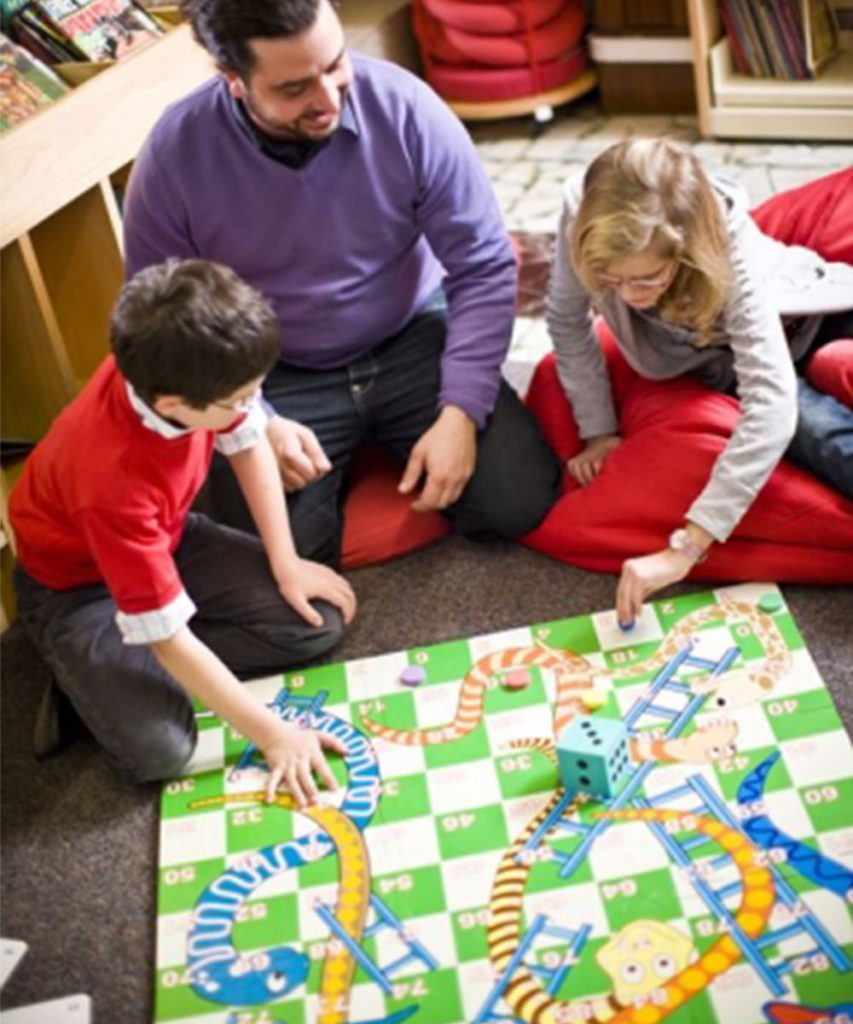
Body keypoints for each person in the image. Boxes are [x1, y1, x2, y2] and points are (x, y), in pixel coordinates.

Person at [122, 0, 561, 568]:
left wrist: (461, 412)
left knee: (516, 503)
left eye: (335, 64)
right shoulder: (174, 155)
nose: (328, 98)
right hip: (273, 373)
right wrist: (257, 422)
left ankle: (374, 448)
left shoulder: (407, 109)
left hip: (411, 335)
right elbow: (167, 324)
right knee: (269, 560)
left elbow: (482, 264)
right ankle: (354, 456)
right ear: (234, 81)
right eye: (294, 88)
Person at [10, 260, 357, 805]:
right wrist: (274, 734)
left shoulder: (178, 368)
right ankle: (83, 672)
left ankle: (123, 663)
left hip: (167, 537)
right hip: (76, 587)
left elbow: (247, 441)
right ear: (173, 406)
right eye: (241, 398)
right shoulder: (112, 482)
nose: (253, 406)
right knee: (161, 750)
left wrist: (284, 561)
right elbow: (168, 638)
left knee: (315, 622)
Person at [546, 138, 853, 626]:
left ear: (686, 248)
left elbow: (770, 405)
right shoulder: (579, 216)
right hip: (727, 361)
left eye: (646, 279)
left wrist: (687, 547)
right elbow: (565, 319)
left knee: (823, 408)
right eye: (609, 278)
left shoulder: (726, 244)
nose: (626, 296)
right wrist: (598, 429)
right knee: (820, 433)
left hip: (812, 318)